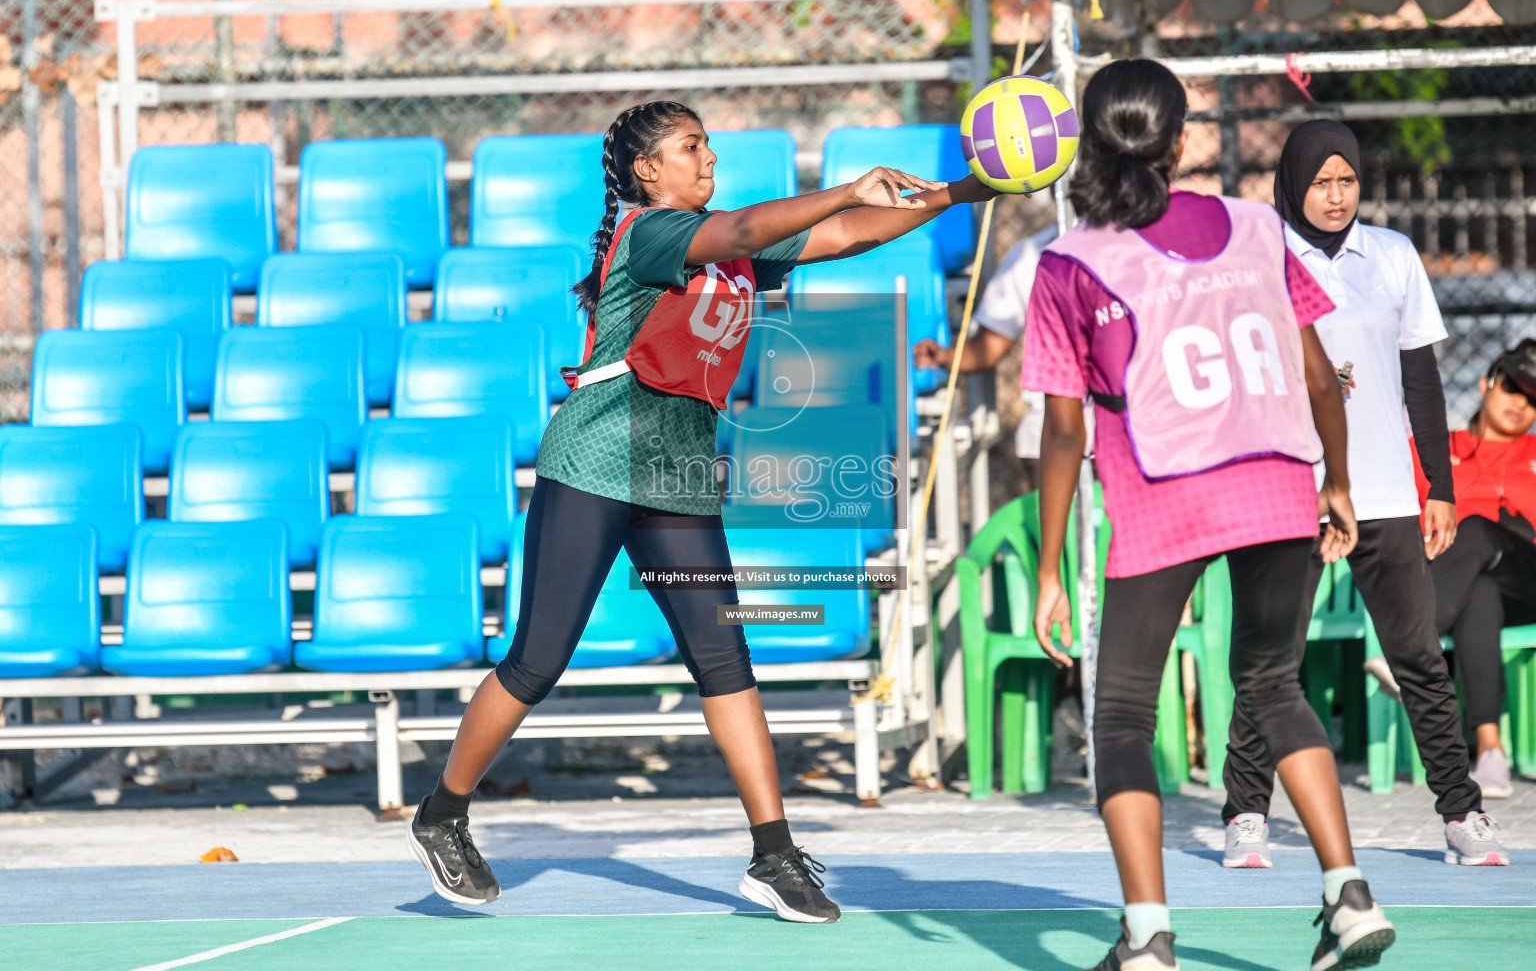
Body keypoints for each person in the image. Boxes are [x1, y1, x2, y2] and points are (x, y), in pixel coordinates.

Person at [407, 100, 999, 919]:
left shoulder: (729, 251)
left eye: (710, 145)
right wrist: (842, 186)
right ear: (649, 171)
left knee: (725, 661)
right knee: (538, 661)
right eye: (692, 147)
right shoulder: (650, 233)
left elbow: (852, 234)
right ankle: (442, 813)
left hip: (678, 472)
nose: (709, 158)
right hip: (595, 463)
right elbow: (753, 231)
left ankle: (774, 852)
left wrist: (972, 187)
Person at [1024, 59, 1394, 971]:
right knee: (1274, 687)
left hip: (1164, 494)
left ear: (1086, 142)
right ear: (1179, 140)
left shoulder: (1070, 263)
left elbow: (1063, 433)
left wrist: (1048, 567)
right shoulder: (1258, 226)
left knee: (1119, 719)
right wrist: (1336, 482)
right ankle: (1348, 893)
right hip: (1276, 483)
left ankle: (1148, 937)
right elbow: (1317, 372)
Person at [1219, 119, 1508, 871]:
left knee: (1415, 653)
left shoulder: (1392, 255)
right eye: (1321, 181)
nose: (1336, 195)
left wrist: (1438, 487)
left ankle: (1461, 813)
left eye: (1347, 180)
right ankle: (1246, 812)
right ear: (1293, 183)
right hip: (1292, 493)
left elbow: (1420, 379)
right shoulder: (1258, 259)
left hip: (1384, 493)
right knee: (1271, 657)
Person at [1415, 339, 1536, 800]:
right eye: (1511, 388)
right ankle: (1489, 750)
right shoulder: (1433, 449)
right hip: (1459, 585)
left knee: (1481, 530)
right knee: (1479, 589)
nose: (1520, 403)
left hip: (1530, 578)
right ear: (1486, 384)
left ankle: (1409, 653)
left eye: (1533, 397)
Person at [913, 225, 1059, 487]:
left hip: (1132, 436)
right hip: (1050, 434)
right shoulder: (1031, 255)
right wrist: (944, 356)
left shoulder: (1145, 243)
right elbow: (989, 347)